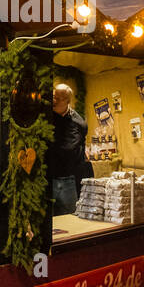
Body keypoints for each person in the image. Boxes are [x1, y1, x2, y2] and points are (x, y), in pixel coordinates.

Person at [46, 83, 88, 217]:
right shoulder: (44, 117)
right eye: (53, 96)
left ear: (68, 101)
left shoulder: (78, 122)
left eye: (59, 98)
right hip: (47, 178)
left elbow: (80, 148)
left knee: (68, 218)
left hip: (67, 180)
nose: (54, 100)